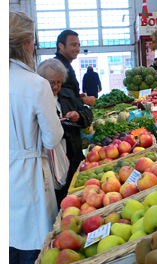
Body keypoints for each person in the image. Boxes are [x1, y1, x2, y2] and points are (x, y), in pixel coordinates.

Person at [9, 11, 64, 263]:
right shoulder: (35, 84)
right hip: (29, 176)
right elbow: (52, 139)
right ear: (25, 44)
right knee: (34, 247)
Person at [38, 59, 93, 207]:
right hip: (51, 160)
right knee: (60, 200)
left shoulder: (67, 94)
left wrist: (78, 116)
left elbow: (87, 112)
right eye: (51, 82)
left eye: (59, 82)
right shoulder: (37, 99)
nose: (56, 86)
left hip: (73, 154)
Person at [54, 30, 96, 106]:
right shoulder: (56, 67)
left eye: (79, 45)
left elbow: (66, 93)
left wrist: (78, 96)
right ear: (61, 46)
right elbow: (60, 99)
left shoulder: (65, 65)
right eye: (73, 45)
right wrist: (83, 100)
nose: (77, 49)